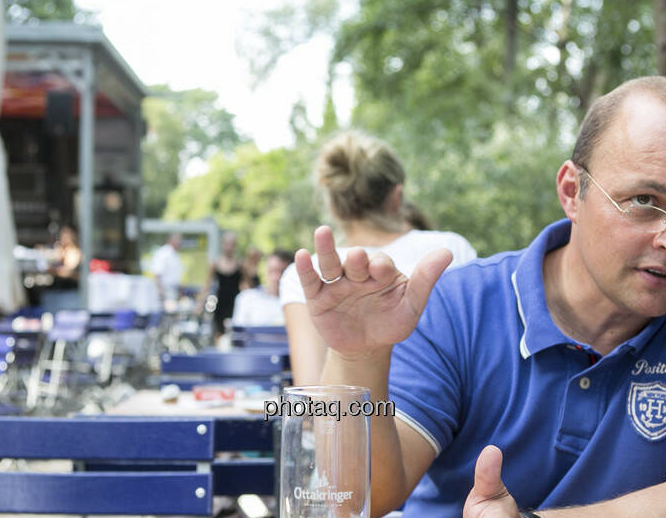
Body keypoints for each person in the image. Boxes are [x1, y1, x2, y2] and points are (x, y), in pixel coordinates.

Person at [291, 77, 666, 518]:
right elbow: (358, 493)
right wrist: (359, 354)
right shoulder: (461, 303)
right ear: (572, 192)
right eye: (645, 202)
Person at [279, 130, 477, 385]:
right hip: (449, 422)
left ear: (333, 206)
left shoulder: (306, 273)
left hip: (348, 420)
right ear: (397, 196)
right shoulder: (449, 249)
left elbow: (309, 395)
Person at [232, 249, 293, 327]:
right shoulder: (246, 298)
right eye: (272, 271)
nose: (276, 277)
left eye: (282, 272)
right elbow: (239, 333)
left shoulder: (297, 303)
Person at [200, 230, 243, 342]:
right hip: (221, 303)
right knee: (219, 333)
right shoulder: (215, 264)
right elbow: (207, 284)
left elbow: (246, 286)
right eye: (227, 244)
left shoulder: (240, 265)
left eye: (231, 244)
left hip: (235, 302)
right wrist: (200, 304)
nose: (229, 247)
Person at [151, 233, 184, 306]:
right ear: (172, 241)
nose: (181, 243)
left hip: (173, 290)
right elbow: (157, 273)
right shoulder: (163, 253)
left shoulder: (174, 254)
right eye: (179, 241)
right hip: (165, 290)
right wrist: (160, 290)